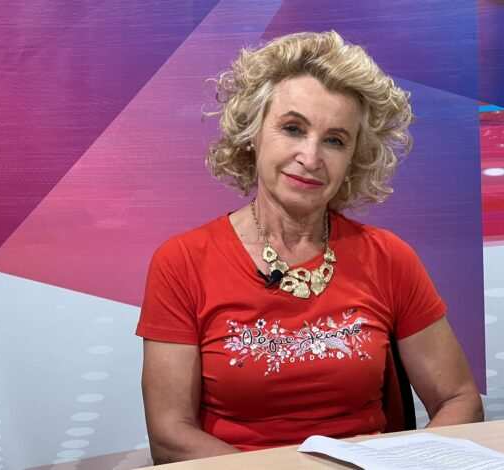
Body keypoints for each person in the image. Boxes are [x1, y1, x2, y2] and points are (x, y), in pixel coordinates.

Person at [136, 30, 483, 464]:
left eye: (335, 140)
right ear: (253, 132)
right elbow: (170, 435)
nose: (311, 156)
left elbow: (459, 399)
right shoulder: (182, 262)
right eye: (293, 128)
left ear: (354, 157)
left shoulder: (388, 257)